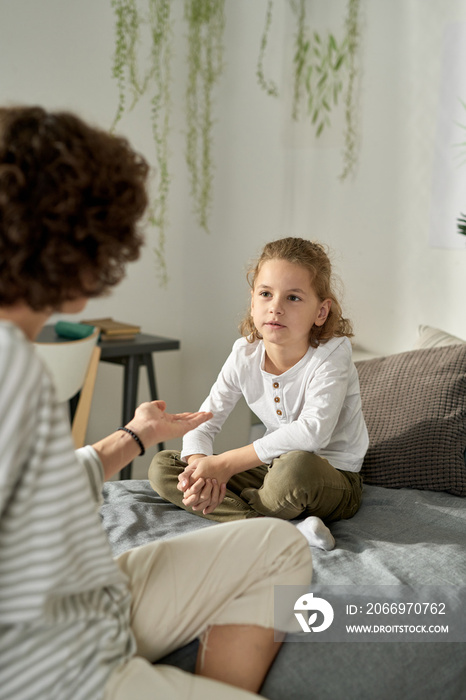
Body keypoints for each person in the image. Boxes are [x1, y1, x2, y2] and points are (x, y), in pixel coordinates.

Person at [0, 107, 312, 700]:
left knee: (276, 544)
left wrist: (136, 437)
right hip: (61, 665)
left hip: (93, 605)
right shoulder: (11, 366)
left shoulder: (18, 357)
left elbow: (29, 487)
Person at [150, 237, 369, 550]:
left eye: (293, 298)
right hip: (272, 471)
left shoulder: (333, 354)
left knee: (296, 466)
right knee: (164, 467)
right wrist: (203, 470)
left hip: (328, 477)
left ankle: (254, 516)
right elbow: (203, 421)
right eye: (266, 294)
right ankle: (285, 530)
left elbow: (312, 434)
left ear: (321, 311)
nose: (275, 307)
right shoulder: (245, 353)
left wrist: (224, 465)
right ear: (253, 302)